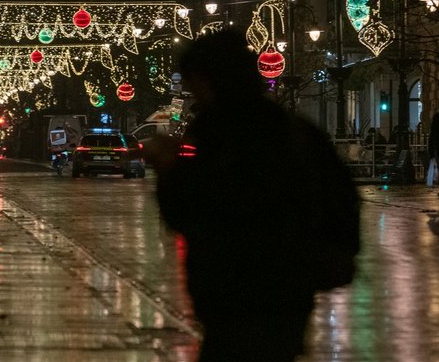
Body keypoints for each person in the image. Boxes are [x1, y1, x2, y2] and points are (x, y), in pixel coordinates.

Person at [144, 29, 359, 362]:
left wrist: (170, 170)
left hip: (234, 290)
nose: (191, 93)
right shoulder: (296, 130)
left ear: (208, 80)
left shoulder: (219, 133)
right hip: (289, 290)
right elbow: (342, 200)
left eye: (192, 84)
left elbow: (196, 209)